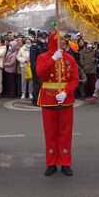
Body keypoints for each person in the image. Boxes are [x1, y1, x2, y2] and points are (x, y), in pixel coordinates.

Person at [36, 31, 79, 177]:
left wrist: (66, 92)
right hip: (48, 98)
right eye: (60, 40)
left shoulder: (69, 58)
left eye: (64, 40)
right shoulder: (43, 57)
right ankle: (51, 162)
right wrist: (53, 59)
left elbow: (74, 78)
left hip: (64, 98)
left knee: (65, 133)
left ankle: (65, 162)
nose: (63, 43)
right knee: (50, 133)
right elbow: (40, 73)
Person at [30, 32, 48, 105]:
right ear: (38, 37)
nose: (43, 39)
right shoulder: (34, 46)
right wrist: (35, 69)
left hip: (44, 68)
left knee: (42, 84)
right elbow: (33, 59)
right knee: (37, 85)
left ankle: (42, 99)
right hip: (37, 68)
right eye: (42, 37)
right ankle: (36, 100)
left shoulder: (45, 45)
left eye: (44, 37)